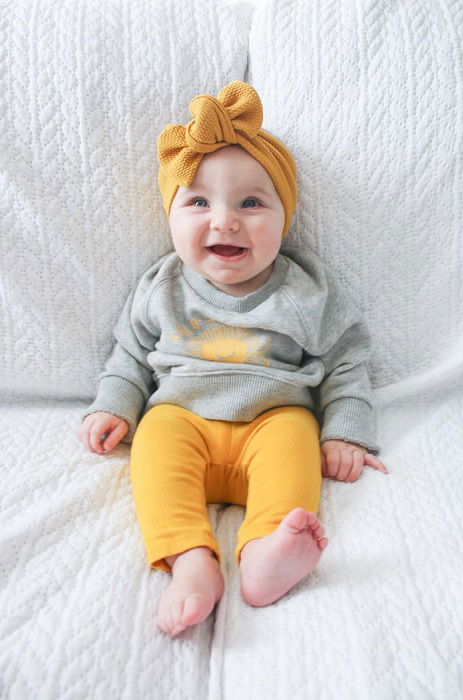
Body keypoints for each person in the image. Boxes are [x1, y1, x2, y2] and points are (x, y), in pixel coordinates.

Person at [78, 81, 387, 637]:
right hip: (183, 415)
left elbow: (346, 360)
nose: (224, 221)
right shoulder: (161, 286)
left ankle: (266, 554)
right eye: (198, 202)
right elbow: (129, 355)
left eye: (251, 203)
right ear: (170, 216)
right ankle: (191, 561)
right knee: (154, 441)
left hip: (273, 416)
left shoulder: (306, 289)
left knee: (295, 440)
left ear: (284, 215)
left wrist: (345, 432)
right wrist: (115, 407)